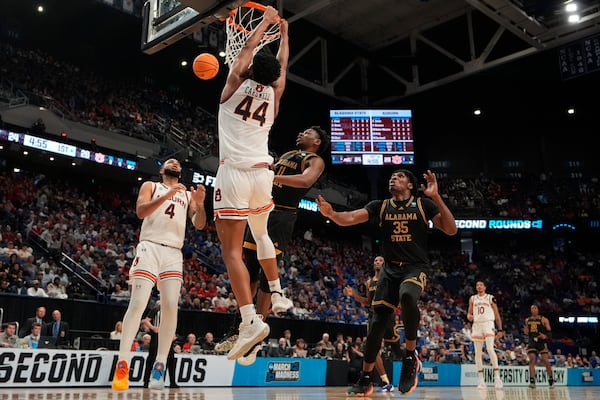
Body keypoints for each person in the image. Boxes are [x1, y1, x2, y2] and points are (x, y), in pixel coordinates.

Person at [317, 169, 457, 396]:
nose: (394, 177)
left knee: (408, 296)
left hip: (414, 266)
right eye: (392, 176)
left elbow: (451, 230)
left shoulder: (423, 205)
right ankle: (365, 379)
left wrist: (436, 197)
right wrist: (332, 213)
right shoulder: (380, 206)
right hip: (389, 270)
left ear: (411, 185)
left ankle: (410, 357)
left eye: (400, 176)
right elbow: (351, 217)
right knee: (375, 328)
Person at [213, 5, 291, 362]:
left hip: (235, 173)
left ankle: (249, 321)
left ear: (247, 69)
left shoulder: (233, 86)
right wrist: (284, 35)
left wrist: (264, 23)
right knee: (261, 236)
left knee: (231, 251)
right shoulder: (274, 94)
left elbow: (244, 51)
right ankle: (276, 292)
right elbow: (282, 67)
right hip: (263, 173)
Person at [216, 125, 329, 364]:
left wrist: (272, 176)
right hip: (261, 207)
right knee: (248, 271)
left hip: (281, 216)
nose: (301, 133)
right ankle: (244, 327)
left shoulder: (315, 159)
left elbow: (305, 180)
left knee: (267, 278)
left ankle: (257, 337)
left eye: (307, 132)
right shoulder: (288, 154)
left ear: (317, 142)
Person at [111, 158, 207, 391]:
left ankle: (160, 365)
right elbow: (141, 211)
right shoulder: (150, 186)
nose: (174, 162)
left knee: (171, 307)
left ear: (180, 172)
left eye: (177, 162)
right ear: (162, 170)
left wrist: (201, 204)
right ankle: (123, 364)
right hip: (150, 247)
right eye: (169, 161)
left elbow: (200, 225)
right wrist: (167, 194)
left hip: (173, 252)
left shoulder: (187, 195)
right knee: (138, 304)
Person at [345, 255, 403, 392]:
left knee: (396, 350)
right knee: (371, 349)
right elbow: (367, 302)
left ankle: (412, 355)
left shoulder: (390, 279)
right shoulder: (369, 283)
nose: (377, 262)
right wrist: (354, 295)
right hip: (373, 316)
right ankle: (384, 382)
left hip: (388, 316)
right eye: (375, 261)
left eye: (381, 260)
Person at [467, 280, 504, 389]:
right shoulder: (472, 298)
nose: (479, 286)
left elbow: (497, 314)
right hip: (477, 324)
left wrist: (500, 329)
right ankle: (481, 380)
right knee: (477, 353)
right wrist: (469, 316)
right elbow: (469, 312)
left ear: (485, 287)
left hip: (488, 323)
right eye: (477, 285)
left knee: (490, 349)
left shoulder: (490, 298)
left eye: (481, 285)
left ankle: (497, 378)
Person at [141, 301, 178, 389]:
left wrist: (173, 334)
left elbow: (172, 324)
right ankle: (146, 381)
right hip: (157, 336)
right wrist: (153, 328)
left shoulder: (172, 311)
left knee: (171, 359)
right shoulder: (156, 309)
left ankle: (172, 382)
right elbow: (145, 321)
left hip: (167, 336)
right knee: (152, 358)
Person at [524, 304, 554, 389]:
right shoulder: (527, 320)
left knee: (545, 360)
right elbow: (527, 332)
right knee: (532, 359)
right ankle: (532, 381)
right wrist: (526, 332)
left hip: (541, 341)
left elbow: (550, 332)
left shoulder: (544, 319)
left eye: (535, 308)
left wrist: (545, 336)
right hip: (532, 341)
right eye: (532, 308)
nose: (533, 310)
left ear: (538, 309)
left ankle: (551, 379)